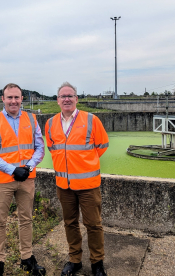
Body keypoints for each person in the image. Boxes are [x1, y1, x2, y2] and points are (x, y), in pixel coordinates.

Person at [45, 82, 109, 276]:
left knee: (93, 224)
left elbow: (102, 146)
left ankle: (97, 263)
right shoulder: (50, 123)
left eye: (70, 96)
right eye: (63, 96)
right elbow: (53, 148)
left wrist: (84, 165)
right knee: (69, 223)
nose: (66, 99)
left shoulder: (91, 120)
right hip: (64, 185)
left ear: (76, 99)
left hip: (88, 185)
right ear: (57, 101)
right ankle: (75, 260)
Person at [0, 83, 46, 276]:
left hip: (26, 179)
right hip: (3, 180)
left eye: (17, 97)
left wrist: (27, 168)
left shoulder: (31, 118)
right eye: (9, 97)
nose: (13, 101)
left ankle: (27, 258)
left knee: (26, 219)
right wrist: (13, 170)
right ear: (3, 99)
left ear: (22, 99)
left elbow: (40, 147)